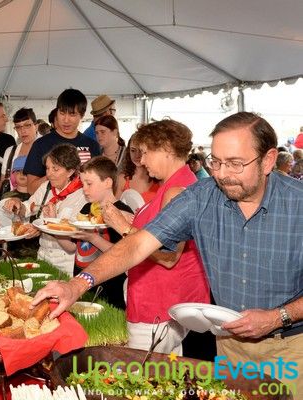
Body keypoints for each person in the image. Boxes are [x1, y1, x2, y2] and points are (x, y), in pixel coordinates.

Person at [34, 112, 303, 395]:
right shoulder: (201, 196)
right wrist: (77, 285)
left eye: (235, 164)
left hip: (290, 346)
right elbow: (139, 244)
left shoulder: (297, 205)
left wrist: (278, 316)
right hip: (229, 344)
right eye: (216, 162)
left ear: (269, 160)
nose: (222, 174)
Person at [102, 119, 210, 354]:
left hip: (157, 302)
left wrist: (122, 227)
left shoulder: (176, 191)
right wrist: (130, 220)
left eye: (146, 153)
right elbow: (156, 232)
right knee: (165, 373)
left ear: (167, 150)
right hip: (162, 301)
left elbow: (169, 256)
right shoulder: (175, 184)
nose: (141, 161)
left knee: (144, 377)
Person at [56, 156, 133, 309]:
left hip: (110, 289)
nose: (84, 188)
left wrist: (93, 238)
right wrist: (54, 229)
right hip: (82, 284)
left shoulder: (121, 213)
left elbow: (125, 254)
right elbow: (71, 248)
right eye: (82, 183)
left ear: (108, 182)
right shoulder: (86, 209)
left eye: (89, 183)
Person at [3, 144, 87, 276]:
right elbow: (28, 207)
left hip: (67, 262)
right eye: (47, 168)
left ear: (70, 171)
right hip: (43, 256)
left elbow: (74, 236)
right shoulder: (46, 187)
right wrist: (17, 204)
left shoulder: (83, 195)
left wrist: (49, 224)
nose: (49, 174)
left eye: (55, 169)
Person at [23, 89, 101, 194]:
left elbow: (100, 184)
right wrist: (54, 174)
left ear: (82, 116)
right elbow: (31, 189)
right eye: (62, 113)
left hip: (84, 207)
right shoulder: (41, 144)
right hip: (51, 207)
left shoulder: (92, 145)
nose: (66, 120)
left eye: (72, 115)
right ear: (57, 112)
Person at [115, 132, 160, 203]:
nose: (137, 155)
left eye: (141, 151)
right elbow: (116, 209)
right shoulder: (122, 179)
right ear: (128, 152)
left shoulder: (159, 177)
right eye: (133, 150)